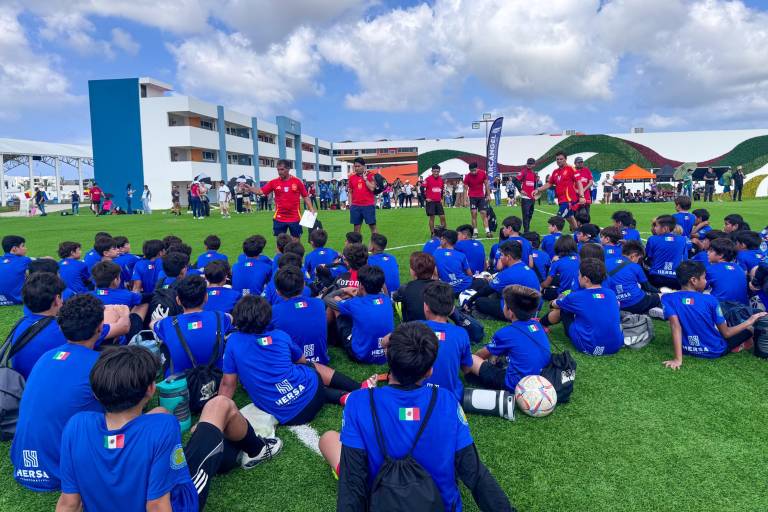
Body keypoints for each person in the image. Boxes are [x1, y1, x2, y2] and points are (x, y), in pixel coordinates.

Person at [56, 346, 282, 511]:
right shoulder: (163, 428)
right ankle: (258, 450)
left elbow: (69, 503)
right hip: (179, 503)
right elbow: (156, 506)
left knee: (162, 415)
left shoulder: (76, 424)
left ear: (96, 394)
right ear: (151, 390)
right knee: (220, 404)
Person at [320, 321, 514, 512]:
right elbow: (474, 473)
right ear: (430, 371)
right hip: (439, 505)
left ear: (389, 360)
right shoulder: (446, 401)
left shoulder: (358, 402)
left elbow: (352, 483)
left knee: (328, 438)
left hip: (381, 501)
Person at [11, 295, 109, 492]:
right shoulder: (100, 364)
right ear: (100, 327)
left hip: (22, 464)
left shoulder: (46, 357)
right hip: (64, 472)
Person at [220, 295, 368, 425]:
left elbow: (228, 384)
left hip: (285, 414)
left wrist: (217, 416)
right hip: (313, 396)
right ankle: (357, 388)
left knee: (297, 376)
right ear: (267, 317)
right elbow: (302, 360)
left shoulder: (233, 342)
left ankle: (343, 396)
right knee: (309, 367)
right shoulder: (280, 335)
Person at [11, 272, 129, 379]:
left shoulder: (21, 323)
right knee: (111, 323)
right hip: (57, 382)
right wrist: (124, 311)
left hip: (26, 384)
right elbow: (123, 327)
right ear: (57, 299)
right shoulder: (64, 327)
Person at [661, 261, 766, 369]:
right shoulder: (710, 300)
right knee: (749, 329)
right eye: (704, 278)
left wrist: (678, 359)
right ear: (693, 280)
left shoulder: (667, 298)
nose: (706, 281)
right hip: (714, 350)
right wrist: (750, 320)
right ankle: (744, 342)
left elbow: (675, 327)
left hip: (686, 349)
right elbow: (726, 333)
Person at [468, 285, 551, 395]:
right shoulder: (537, 325)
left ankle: (472, 378)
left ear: (510, 312)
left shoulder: (506, 333)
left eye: (504, 303)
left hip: (516, 385)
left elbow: (481, 355)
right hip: (540, 379)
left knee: (471, 358)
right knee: (498, 353)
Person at [541, 258, 623, 356]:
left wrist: (554, 302)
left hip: (588, 347)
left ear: (586, 279)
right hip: (615, 346)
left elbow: (554, 304)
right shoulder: (611, 293)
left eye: (579, 274)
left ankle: (541, 323)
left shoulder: (576, 297)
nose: (578, 276)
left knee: (564, 309)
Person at [152, 275, 231, 376]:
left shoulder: (167, 323)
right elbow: (230, 318)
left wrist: (159, 319)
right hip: (216, 378)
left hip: (181, 383)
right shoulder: (219, 316)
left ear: (178, 300)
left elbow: (152, 324)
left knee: (165, 344)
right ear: (206, 297)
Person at [325, 265, 394, 364]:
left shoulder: (355, 303)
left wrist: (344, 290)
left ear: (361, 286)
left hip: (361, 355)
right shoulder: (386, 299)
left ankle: (324, 339)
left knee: (336, 302)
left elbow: (327, 299)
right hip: (386, 353)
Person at [420, 281, 473, 401]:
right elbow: (467, 369)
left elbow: (388, 341)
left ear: (426, 307)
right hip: (450, 397)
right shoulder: (461, 333)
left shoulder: (414, 327)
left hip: (417, 394)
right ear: (451, 309)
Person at [271, 266, 329, 364]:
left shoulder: (274, 311)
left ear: (278, 292)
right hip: (321, 361)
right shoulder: (319, 304)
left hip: (292, 364)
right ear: (303, 286)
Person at [469, 241, 540, 321]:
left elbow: (487, 290)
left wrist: (470, 300)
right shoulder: (524, 267)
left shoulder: (508, 273)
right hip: (533, 307)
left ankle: (491, 316)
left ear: (508, 257)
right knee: (497, 293)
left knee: (480, 301)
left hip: (521, 312)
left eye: (502, 255)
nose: (500, 257)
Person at [247, 159, 315, 238]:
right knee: (279, 244)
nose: (280, 172)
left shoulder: (297, 182)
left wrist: (311, 209)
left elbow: (305, 196)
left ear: (288, 169)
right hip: (279, 217)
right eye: (278, 170)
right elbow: (260, 191)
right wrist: (250, 188)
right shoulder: (273, 182)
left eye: (282, 169)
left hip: (295, 217)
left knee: (296, 243)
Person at [606, 241, 661, 314]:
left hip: (614, 304)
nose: (638, 261)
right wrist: (660, 292)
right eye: (639, 258)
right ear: (633, 256)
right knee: (659, 296)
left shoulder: (606, 262)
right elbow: (647, 287)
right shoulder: (635, 267)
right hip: (635, 304)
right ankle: (653, 309)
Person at [534, 152, 584, 232]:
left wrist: (581, 196)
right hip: (561, 200)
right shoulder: (555, 172)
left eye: (561, 159)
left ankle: (553, 240)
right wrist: (538, 189)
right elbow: (549, 183)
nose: (559, 161)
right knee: (571, 220)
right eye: (557, 159)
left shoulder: (571, 169)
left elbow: (579, 182)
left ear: (565, 159)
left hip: (569, 201)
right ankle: (580, 236)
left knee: (557, 220)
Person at [646, 215, 688, 290]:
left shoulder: (652, 239)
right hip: (675, 278)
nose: (655, 228)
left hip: (656, 277)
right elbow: (684, 258)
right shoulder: (682, 240)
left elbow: (649, 256)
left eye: (656, 226)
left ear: (665, 228)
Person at [393, 252, 437, 322]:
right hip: (439, 329)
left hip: (414, 329)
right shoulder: (443, 287)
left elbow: (395, 297)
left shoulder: (405, 288)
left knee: (398, 303)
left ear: (413, 271)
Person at [705, 238, 748, 305]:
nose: (707, 253)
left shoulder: (710, 269)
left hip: (723, 309)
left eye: (711, 251)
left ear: (721, 255)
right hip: (743, 309)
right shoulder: (739, 268)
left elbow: (698, 288)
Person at [433, 230, 473, 295]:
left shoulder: (435, 253)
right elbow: (470, 274)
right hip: (465, 286)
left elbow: (435, 275)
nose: (440, 240)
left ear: (444, 240)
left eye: (441, 239)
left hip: (448, 290)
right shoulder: (461, 255)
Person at [348, 157, 377, 234]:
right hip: (355, 206)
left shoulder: (371, 175)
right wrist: (350, 205)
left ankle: (376, 246)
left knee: (373, 228)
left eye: (358, 166)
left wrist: (365, 179)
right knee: (356, 230)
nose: (356, 168)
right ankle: (357, 246)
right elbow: (350, 192)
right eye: (355, 166)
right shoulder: (351, 178)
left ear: (364, 166)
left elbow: (372, 188)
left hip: (368, 206)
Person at [0, 235, 32, 305]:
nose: (25, 248)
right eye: (23, 246)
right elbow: (47, 260)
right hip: (18, 300)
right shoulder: (24, 260)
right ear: (14, 249)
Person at [463, 162, 492, 238]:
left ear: (477, 168)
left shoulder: (482, 173)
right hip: (472, 197)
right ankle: (475, 232)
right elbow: (465, 189)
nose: (473, 172)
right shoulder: (467, 176)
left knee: (483, 213)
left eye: (474, 170)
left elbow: (486, 184)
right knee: (474, 213)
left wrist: (488, 195)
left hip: (481, 197)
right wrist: (465, 200)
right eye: (471, 171)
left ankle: (487, 231)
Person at [517, 158, 538, 232]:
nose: (529, 165)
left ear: (534, 165)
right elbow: (515, 180)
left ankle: (527, 229)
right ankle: (526, 231)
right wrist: (520, 190)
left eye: (530, 164)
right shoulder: (523, 172)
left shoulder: (534, 173)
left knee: (530, 215)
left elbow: (535, 184)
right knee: (526, 215)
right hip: (525, 197)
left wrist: (536, 192)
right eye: (528, 163)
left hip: (532, 197)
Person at [424, 164, 446, 234]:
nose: (436, 173)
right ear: (432, 171)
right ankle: (432, 233)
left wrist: (441, 198)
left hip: (438, 202)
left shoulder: (441, 180)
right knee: (432, 218)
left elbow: (441, 190)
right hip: (431, 202)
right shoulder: (427, 179)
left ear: (439, 171)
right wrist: (425, 198)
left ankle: (444, 233)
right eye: (434, 171)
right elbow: (421, 189)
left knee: (442, 217)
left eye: (437, 171)